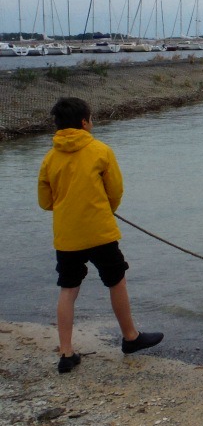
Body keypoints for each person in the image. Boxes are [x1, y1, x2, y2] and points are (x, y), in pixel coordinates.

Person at [37, 97, 163, 374]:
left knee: (68, 289)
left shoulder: (49, 158)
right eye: (91, 118)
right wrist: (104, 210)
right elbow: (115, 192)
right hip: (100, 232)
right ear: (84, 122)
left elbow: (45, 202)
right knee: (116, 281)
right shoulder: (101, 151)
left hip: (67, 236)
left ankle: (67, 353)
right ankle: (130, 337)